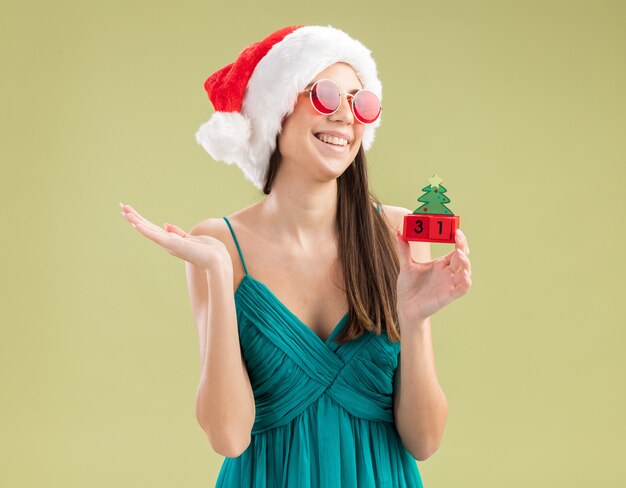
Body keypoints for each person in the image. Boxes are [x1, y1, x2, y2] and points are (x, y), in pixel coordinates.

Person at [120, 24, 472, 487]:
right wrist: (220, 275)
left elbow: (424, 441)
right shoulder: (218, 245)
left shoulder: (395, 233)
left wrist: (415, 316)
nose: (346, 116)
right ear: (276, 112)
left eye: (360, 101)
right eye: (326, 95)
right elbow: (228, 436)